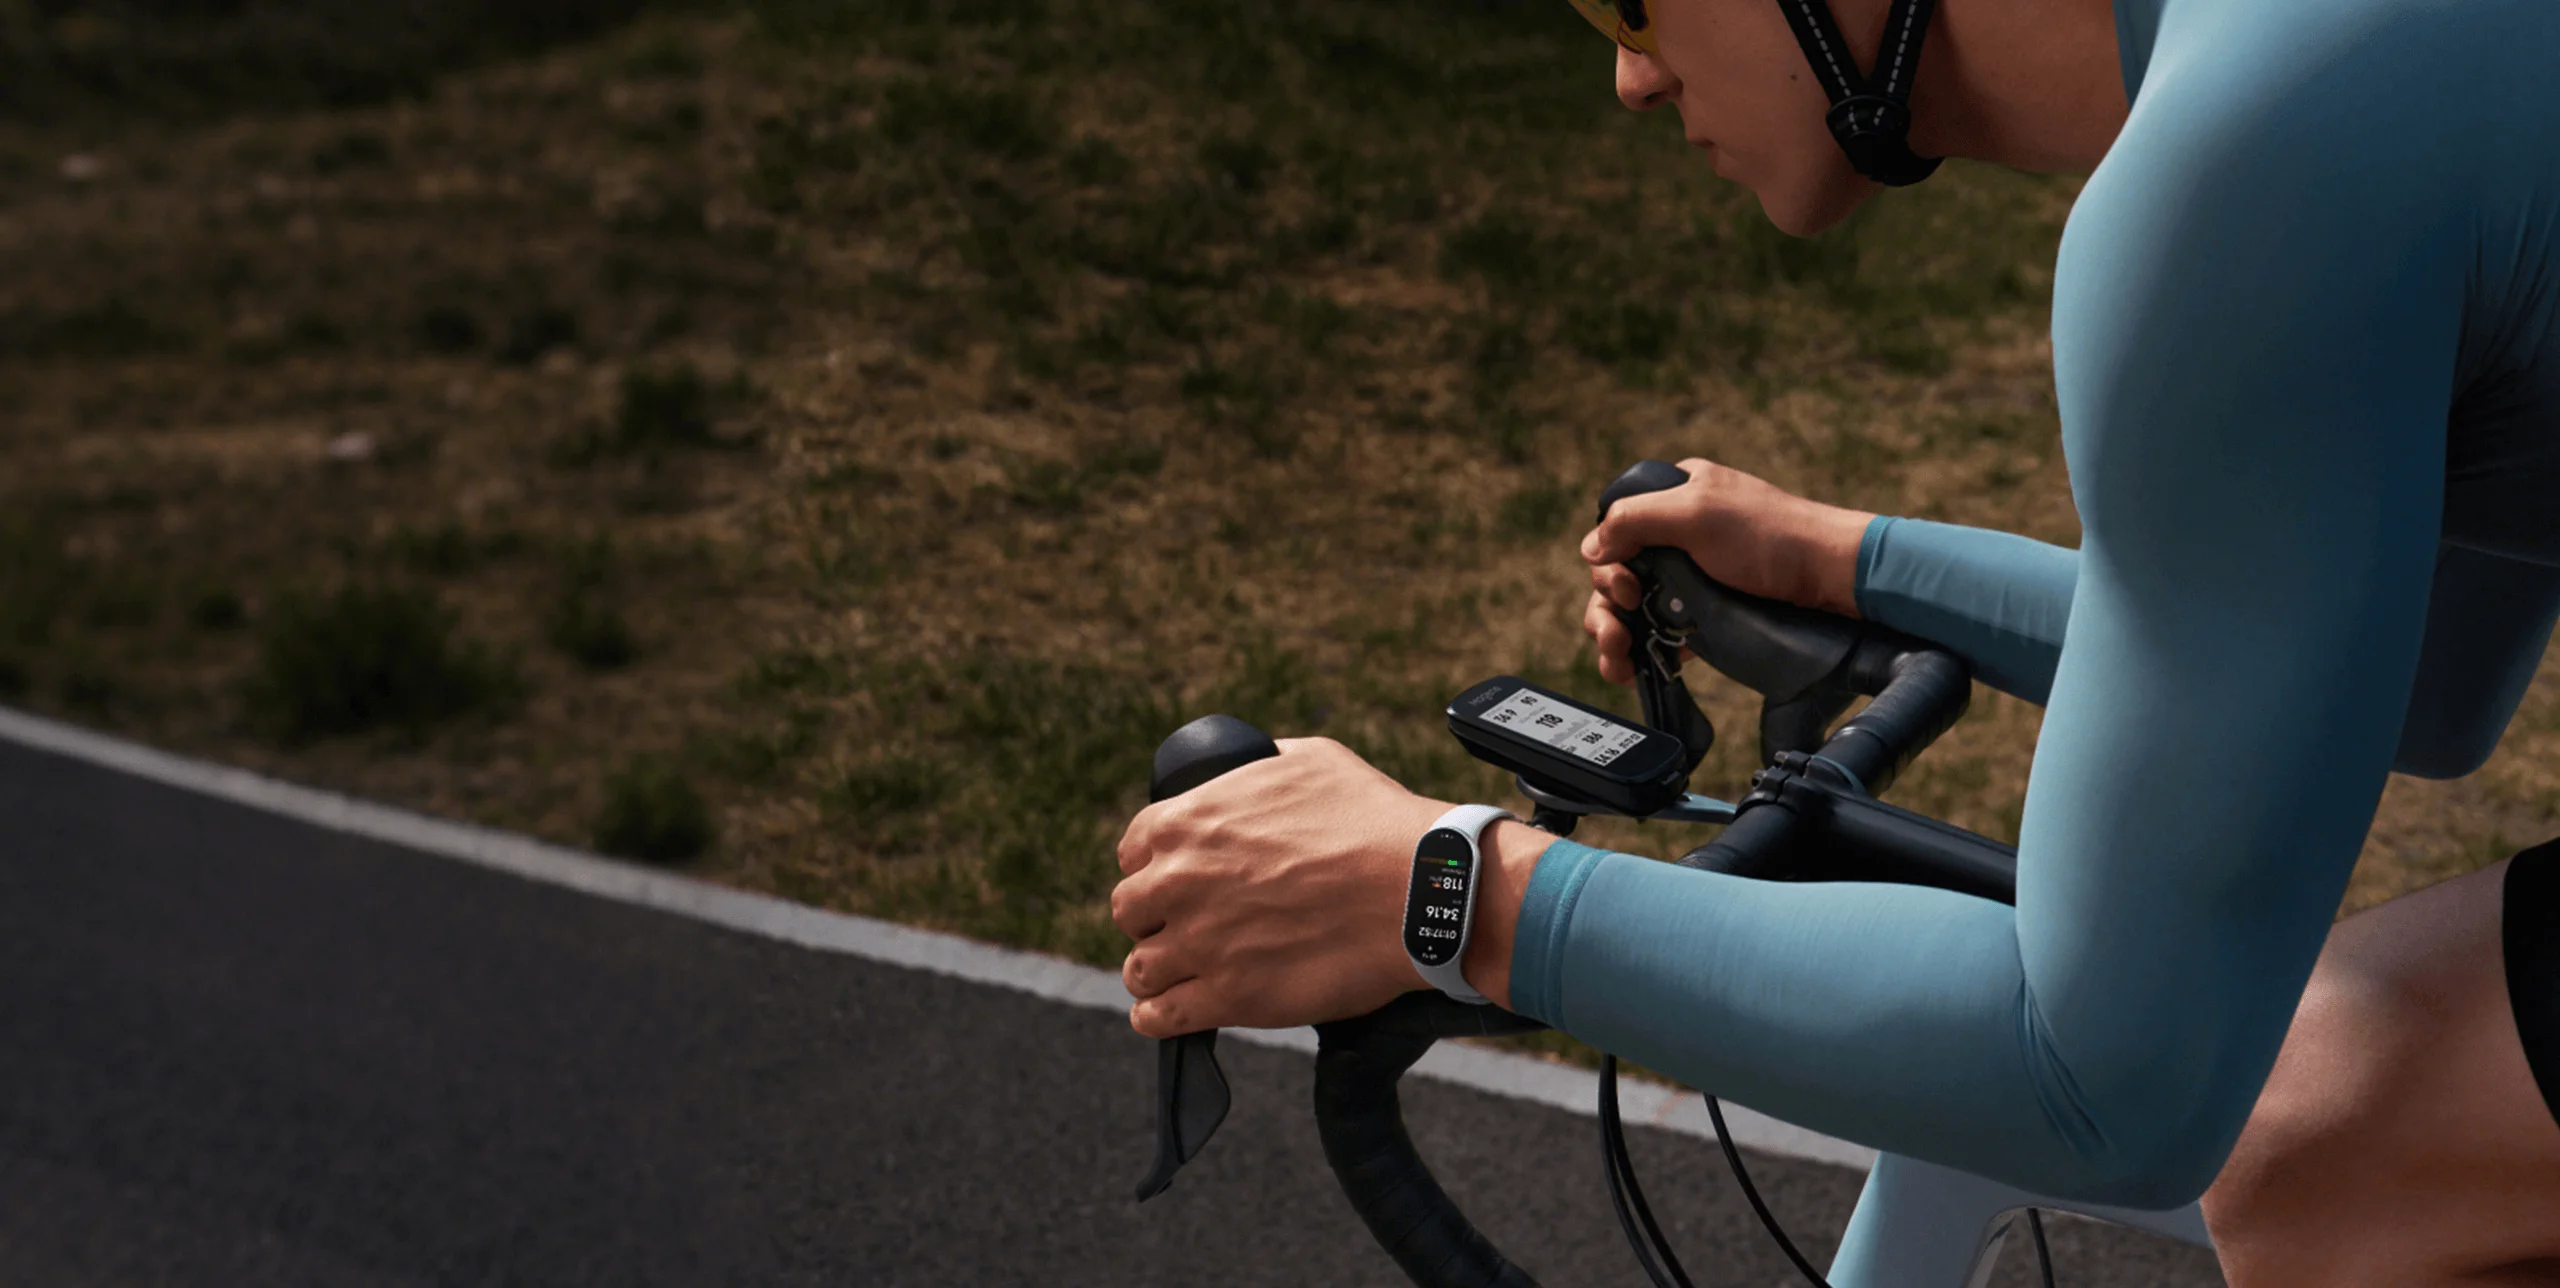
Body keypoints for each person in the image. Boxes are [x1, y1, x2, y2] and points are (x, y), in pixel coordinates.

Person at [1109, 0, 2560, 1281]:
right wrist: (1856, 566)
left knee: (2320, 1140)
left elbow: (2105, 1091)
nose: (1632, 79)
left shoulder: (2251, 174)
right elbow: (2415, 681)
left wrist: (1446, 889)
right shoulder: (2331, 64)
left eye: (1628, 3)